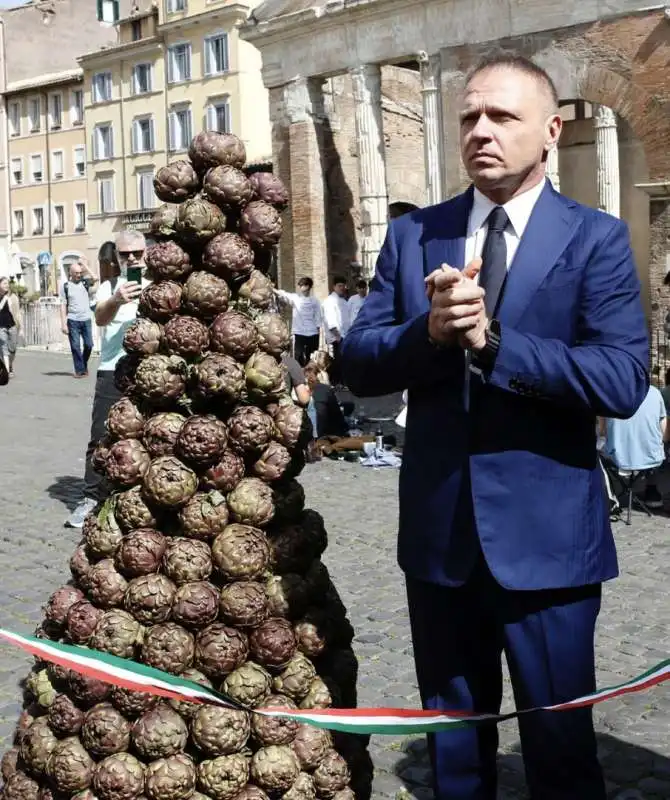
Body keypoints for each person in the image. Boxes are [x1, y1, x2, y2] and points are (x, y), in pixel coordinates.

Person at [341, 51, 649, 800]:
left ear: (549, 131)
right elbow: (358, 360)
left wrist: (496, 343)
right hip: (441, 541)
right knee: (453, 746)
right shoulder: (417, 236)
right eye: (469, 116)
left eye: (502, 116)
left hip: (548, 547)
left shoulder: (596, 238)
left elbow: (621, 380)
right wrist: (431, 334)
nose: (481, 130)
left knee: (560, 746)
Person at [66, 231, 150, 528]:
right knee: (100, 435)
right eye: (125, 254)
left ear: (146, 252)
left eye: (136, 253)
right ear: (116, 256)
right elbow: (100, 318)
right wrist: (116, 298)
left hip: (152, 371)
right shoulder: (107, 287)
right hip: (113, 369)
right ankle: (90, 497)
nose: (131, 258)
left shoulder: (159, 286)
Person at [599, 384, 668, 509]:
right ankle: (652, 493)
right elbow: (664, 429)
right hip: (651, 458)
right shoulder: (655, 392)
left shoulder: (609, 391)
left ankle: (610, 496)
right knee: (657, 445)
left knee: (597, 449)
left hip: (618, 457)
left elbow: (602, 431)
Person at [60, 259, 99, 378]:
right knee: (75, 346)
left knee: (89, 345)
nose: (78, 275)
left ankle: (83, 363)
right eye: (76, 273)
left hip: (86, 319)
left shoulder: (85, 282)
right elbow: (63, 305)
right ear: (70, 273)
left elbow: (96, 278)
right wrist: (63, 323)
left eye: (80, 273)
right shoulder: (65, 286)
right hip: (73, 320)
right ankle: (80, 371)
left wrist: (85, 266)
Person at [275, 276, 323, 366]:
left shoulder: (315, 301)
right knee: (298, 356)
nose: (301, 288)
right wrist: (271, 288)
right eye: (300, 285)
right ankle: (299, 377)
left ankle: (310, 376)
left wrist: (318, 331)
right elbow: (283, 294)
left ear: (308, 286)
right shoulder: (296, 298)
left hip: (312, 332)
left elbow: (318, 317)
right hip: (299, 332)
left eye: (303, 285)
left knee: (311, 357)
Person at [303, 361, 349, 438]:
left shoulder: (299, 390)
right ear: (318, 375)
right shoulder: (325, 389)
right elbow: (337, 415)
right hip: (321, 435)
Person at [321, 275, 350, 386]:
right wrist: (337, 335)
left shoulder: (343, 301)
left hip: (345, 335)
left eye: (343, 286)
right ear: (334, 287)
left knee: (342, 360)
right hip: (337, 336)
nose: (342, 288)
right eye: (339, 286)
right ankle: (335, 381)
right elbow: (330, 319)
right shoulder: (329, 301)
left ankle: (340, 381)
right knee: (338, 360)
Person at [0, 278, 21, 377]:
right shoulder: (3, 297)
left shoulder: (13, 297)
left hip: (12, 325)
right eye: (4, 283)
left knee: (12, 348)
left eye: (7, 284)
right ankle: (6, 371)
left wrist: (21, 328)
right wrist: (4, 299)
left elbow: (17, 313)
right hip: (1, 326)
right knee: (4, 347)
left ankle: (10, 365)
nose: (6, 285)